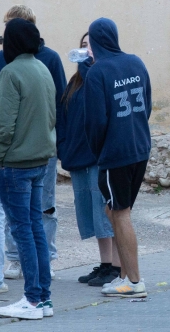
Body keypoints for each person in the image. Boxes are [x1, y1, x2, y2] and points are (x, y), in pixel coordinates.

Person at [0, 18, 56, 320]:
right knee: (36, 228)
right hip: (40, 160)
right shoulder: (42, 69)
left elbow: (3, 126)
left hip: (14, 164)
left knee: (22, 232)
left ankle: (31, 299)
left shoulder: (10, 72)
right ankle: (43, 299)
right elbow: (50, 116)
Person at [0, 5, 66, 280]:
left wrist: (59, 143)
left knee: (43, 206)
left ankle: (45, 257)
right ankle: (15, 258)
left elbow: (59, 104)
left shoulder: (49, 59)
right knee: (13, 208)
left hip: (41, 147)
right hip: (13, 146)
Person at [84, 18, 152, 298]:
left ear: (97, 43)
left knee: (120, 214)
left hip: (116, 153)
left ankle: (134, 282)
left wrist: (99, 151)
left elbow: (95, 121)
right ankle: (123, 275)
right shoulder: (135, 62)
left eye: (89, 44)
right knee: (113, 210)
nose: (87, 50)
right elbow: (147, 104)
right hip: (139, 147)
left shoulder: (97, 72)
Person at [58, 33, 121, 287]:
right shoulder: (74, 81)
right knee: (91, 214)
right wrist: (63, 147)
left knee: (106, 212)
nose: (86, 51)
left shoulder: (104, 75)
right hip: (77, 157)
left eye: (91, 46)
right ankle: (105, 263)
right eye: (83, 46)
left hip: (99, 156)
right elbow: (63, 116)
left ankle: (117, 266)